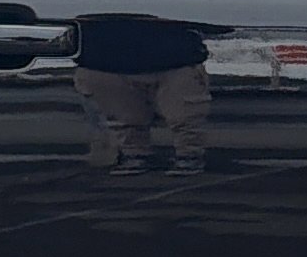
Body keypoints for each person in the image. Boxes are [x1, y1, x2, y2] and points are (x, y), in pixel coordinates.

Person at [72, 13, 213, 172]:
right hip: (104, 64)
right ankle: (138, 155)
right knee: (126, 120)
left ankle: (187, 156)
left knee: (185, 118)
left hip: (175, 61)